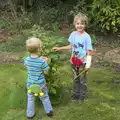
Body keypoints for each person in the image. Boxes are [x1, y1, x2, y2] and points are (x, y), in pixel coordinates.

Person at [53, 13, 93, 102]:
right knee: (75, 79)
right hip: (74, 62)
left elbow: (89, 52)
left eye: (82, 24)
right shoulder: (73, 34)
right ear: (75, 24)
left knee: (82, 81)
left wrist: (88, 65)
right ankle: (76, 95)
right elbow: (71, 46)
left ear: (85, 24)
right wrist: (59, 48)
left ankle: (82, 97)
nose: (79, 26)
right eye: (77, 23)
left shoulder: (87, 37)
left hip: (83, 63)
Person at [24, 37, 53, 120]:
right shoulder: (42, 62)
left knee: (30, 98)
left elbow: (28, 64)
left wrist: (38, 60)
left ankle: (30, 115)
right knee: (44, 97)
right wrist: (46, 62)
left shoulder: (27, 60)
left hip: (30, 83)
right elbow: (46, 72)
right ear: (39, 49)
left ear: (28, 49)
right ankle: (49, 111)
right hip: (40, 84)